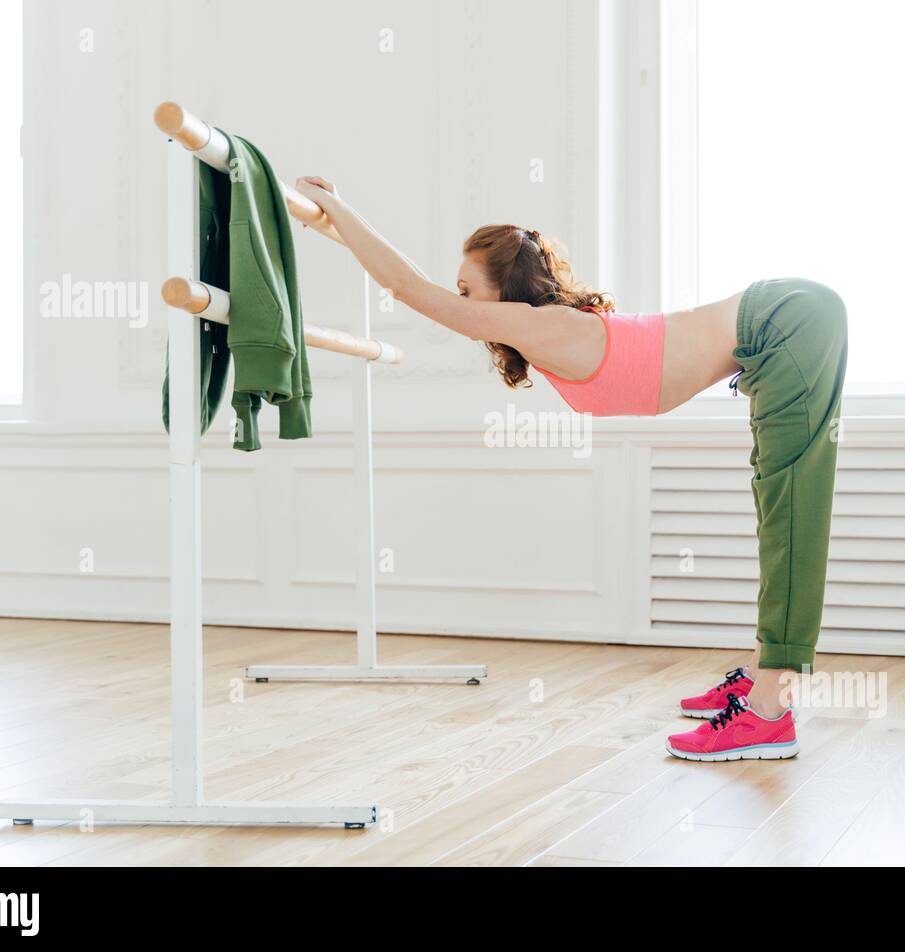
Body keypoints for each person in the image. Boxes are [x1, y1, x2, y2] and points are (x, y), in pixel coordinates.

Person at [294, 176, 848, 761]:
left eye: (466, 290)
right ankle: (766, 674)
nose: (458, 305)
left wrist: (339, 209)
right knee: (776, 503)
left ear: (503, 292)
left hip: (788, 321)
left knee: (791, 512)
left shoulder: (541, 327)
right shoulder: (549, 332)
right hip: (779, 325)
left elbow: (405, 286)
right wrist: (338, 224)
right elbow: (412, 284)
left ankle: (769, 712)